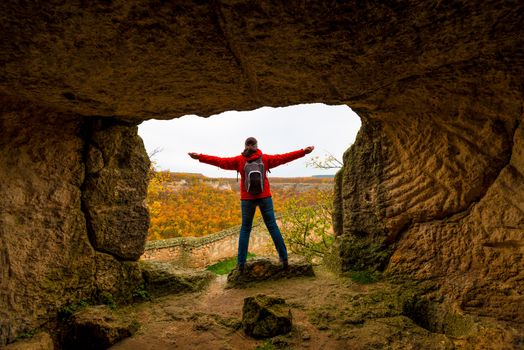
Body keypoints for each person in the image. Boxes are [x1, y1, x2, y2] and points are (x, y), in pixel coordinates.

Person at [188, 137, 314, 272]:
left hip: (247, 199)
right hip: (265, 197)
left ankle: (241, 264)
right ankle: (284, 260)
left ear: (245, 146)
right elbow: (284, 158)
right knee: (272, 226)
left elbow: (220, 161)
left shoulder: (239, 160)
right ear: (256, 145)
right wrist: (303, 152)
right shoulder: (265, 159)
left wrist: (200, 157)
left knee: (245, 229)